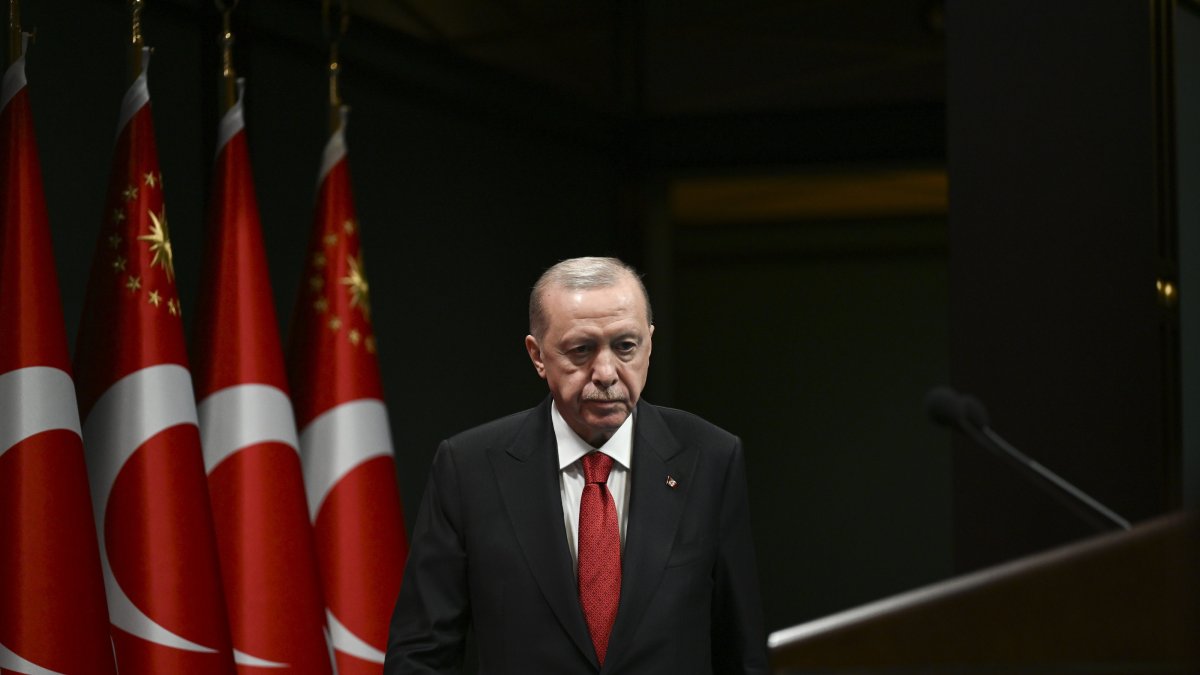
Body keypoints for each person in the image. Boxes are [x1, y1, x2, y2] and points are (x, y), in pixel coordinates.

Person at [385, 256, 767, 674]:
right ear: (537, 355)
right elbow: (421, 656)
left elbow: (740, 649)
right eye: (581, 350)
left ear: (650, 344)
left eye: (626, 346)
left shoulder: (710, 458)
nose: (605, 372)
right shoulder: (469, 468)